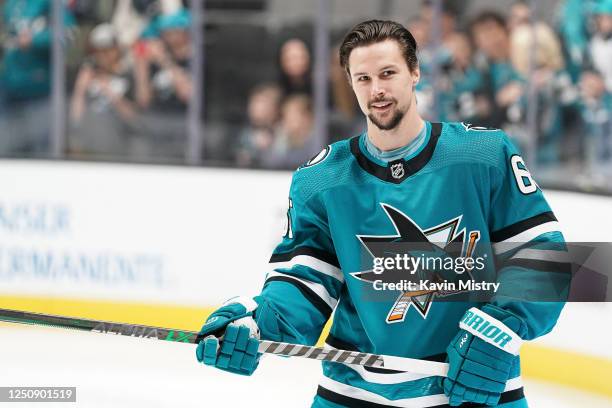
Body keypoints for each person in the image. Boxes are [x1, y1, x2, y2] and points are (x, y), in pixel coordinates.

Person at [195, 20, 569, 407]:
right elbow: (307, 282)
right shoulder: (321, 180)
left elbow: (544, 254)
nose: (377, 90)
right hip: (355, 393)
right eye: (363, 78)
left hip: (473, 387)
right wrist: (258, 323)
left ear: (415, 73)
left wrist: (502, 327)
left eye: (388, 73)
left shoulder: (484, 155)